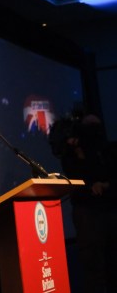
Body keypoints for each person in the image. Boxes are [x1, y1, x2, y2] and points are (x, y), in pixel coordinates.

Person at [54, 113, 117, 292]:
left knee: (112, 261)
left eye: (96, 125)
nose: (93, 130)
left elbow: (111, 171)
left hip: (111, 208)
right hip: (88, 213)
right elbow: (74, 175)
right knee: (93, 266)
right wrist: (78, 152)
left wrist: (106, 185)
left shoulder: (106, 150)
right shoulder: (72, 152)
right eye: (89, 125)